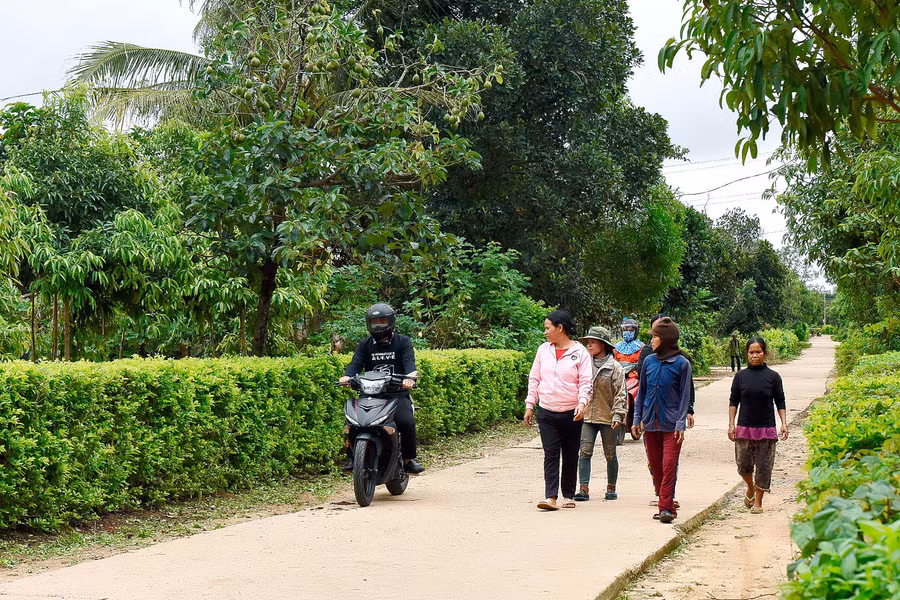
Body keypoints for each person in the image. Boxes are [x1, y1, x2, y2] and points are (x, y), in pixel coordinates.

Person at [340, 303, 424, 474]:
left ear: (391, 322)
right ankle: (352, 458)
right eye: (374, 322)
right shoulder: (365, 344)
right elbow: (355, 364)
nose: (378, 326)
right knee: (352, 422)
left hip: (397, 394)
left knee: (406, 421)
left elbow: (410, 364)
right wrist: (347, 377)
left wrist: (410, 378)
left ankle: (408, 460)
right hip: (370, 395)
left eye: (382, 321)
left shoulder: (403, 342)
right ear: (368, 324)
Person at [524, 309, 593, 511]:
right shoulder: (543, 350)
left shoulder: (579, 352)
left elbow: (586, 382)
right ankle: (551, 497)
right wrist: (530, 405)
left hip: (572, 412)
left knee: (570, 453)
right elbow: (534, 378)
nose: (545, 332)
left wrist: (582, 403)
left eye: (547, 328)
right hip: (546, 412)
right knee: (551, 453)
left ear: (560, 328)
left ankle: (569, 494)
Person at [631, 317, 691, 524]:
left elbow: (685, 397)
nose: (651, 342)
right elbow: (642, 393)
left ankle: (666, 508)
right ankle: (664, 497)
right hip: (650, 423)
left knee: (668, 466)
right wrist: (636, 419)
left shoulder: (682, 364)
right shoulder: (648, 361)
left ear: (665, 339)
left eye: (654, 337)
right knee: (656, 467)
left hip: (672, 426)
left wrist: (681, 422)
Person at [728, 336, 788, 514]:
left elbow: (780, 401)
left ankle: (758, 502)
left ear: (764, 353)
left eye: (758, 352)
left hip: (766, 429)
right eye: (751, 352)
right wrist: (731, 424)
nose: (755, 355)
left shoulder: (773, 377)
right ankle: (750, 487)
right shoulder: (740, 377)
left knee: (764, 467)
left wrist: (783, 423)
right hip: (744, 428)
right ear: (746, 354)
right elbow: (733, 401)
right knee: (743, 465)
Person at [574, 326, 626, 502]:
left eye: (593, 342)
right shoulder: (583, 364)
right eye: (587, 342)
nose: (589, 345)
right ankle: (583, 488)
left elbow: (621, 393)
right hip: (587, 416)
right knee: (584, 452)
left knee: (610, 454)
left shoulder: (615, 368)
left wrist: (618, 415)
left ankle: (611, 488)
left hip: (608, 417)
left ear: (603, 344)